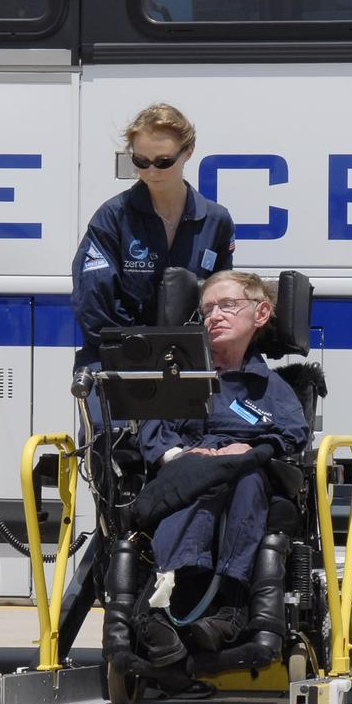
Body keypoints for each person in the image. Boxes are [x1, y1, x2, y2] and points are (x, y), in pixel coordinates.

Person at [134, 271, 310, 666]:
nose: (215, 316)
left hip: (244, 473)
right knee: (190, 480)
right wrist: (182, 457)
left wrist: (248, 448)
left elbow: (293, 435)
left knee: (246, 477)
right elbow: (153, 432)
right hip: (187, 470)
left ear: (261, 313)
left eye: (228, 306)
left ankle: (229, 612)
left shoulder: (272, 389)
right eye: (207, 309)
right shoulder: (180, 378)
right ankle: (166, 603)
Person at [71, 103, 235, 371]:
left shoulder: (217, 221)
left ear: (188, 152)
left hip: (187, 360)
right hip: (118, 357)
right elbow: (93, 302)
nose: (151, 172)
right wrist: (144, 352)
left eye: (163, 162)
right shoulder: (113, 217)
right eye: (140, 161)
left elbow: (220, 298)